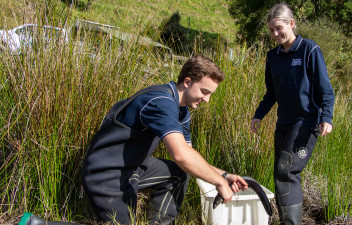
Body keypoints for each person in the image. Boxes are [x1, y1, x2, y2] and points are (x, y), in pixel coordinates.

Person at [81, 55, 248, 225]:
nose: (207, 99)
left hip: (133, 168)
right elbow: (180, 155)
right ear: (188, 82)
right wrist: (219, 183)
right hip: (106, 174)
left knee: (179, 173)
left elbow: (188, 156)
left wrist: (224, 175)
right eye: (205, 92)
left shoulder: (181, 111)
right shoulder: (160, 102)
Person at [250, 3, 335, 225]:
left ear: (292, 23)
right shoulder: (272, 57)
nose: (275, 34)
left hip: (306, 122)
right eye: (271, 30)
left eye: (279, 28)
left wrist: (327, 117)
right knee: (280, 174)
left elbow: (325, 88)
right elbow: (272, 93)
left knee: (286, 170)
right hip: (283, 123)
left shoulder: (309, 49)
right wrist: (259, 114)